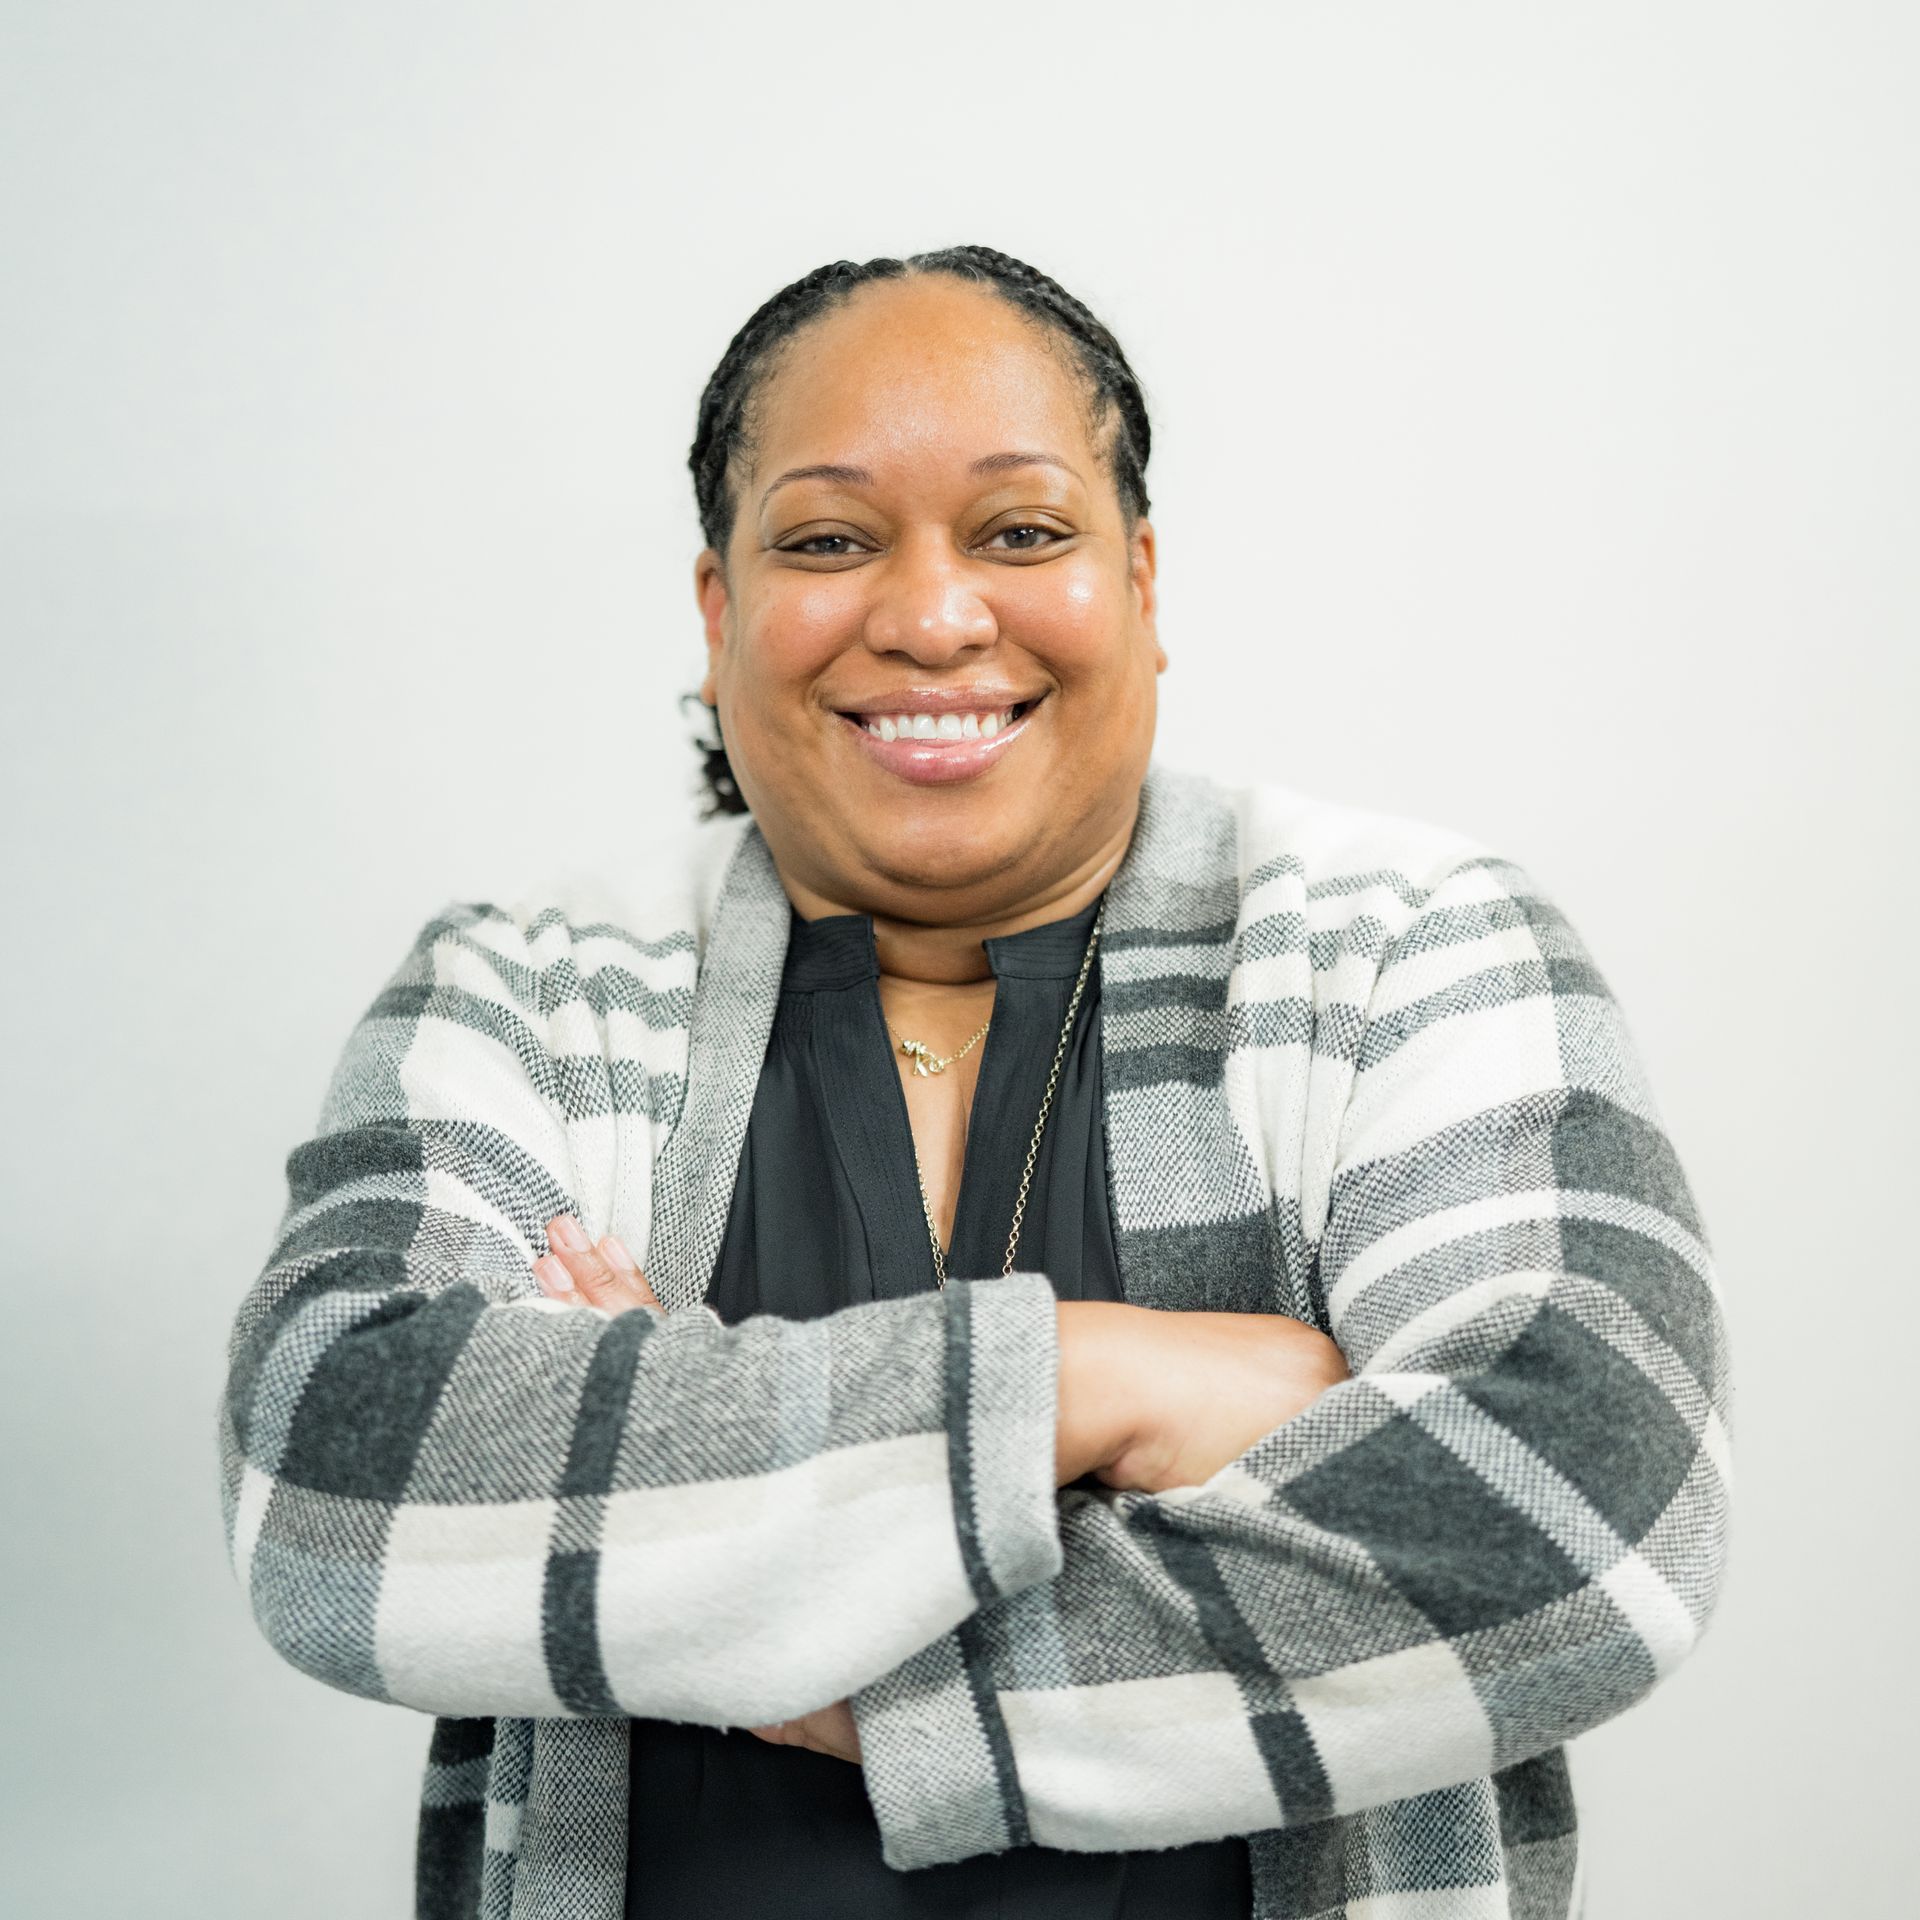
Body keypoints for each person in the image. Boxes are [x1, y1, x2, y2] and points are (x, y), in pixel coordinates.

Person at [216, 246, 1732, 1920]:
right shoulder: (530, 986)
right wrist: (1104, 1382)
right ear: (721, 609)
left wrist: (790, 1653)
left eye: (1020, 532)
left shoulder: (1407, 946)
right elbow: (332, 1485)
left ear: (1141, 586)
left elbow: (1584, 1508)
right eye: (826, 538)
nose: (933, 615)